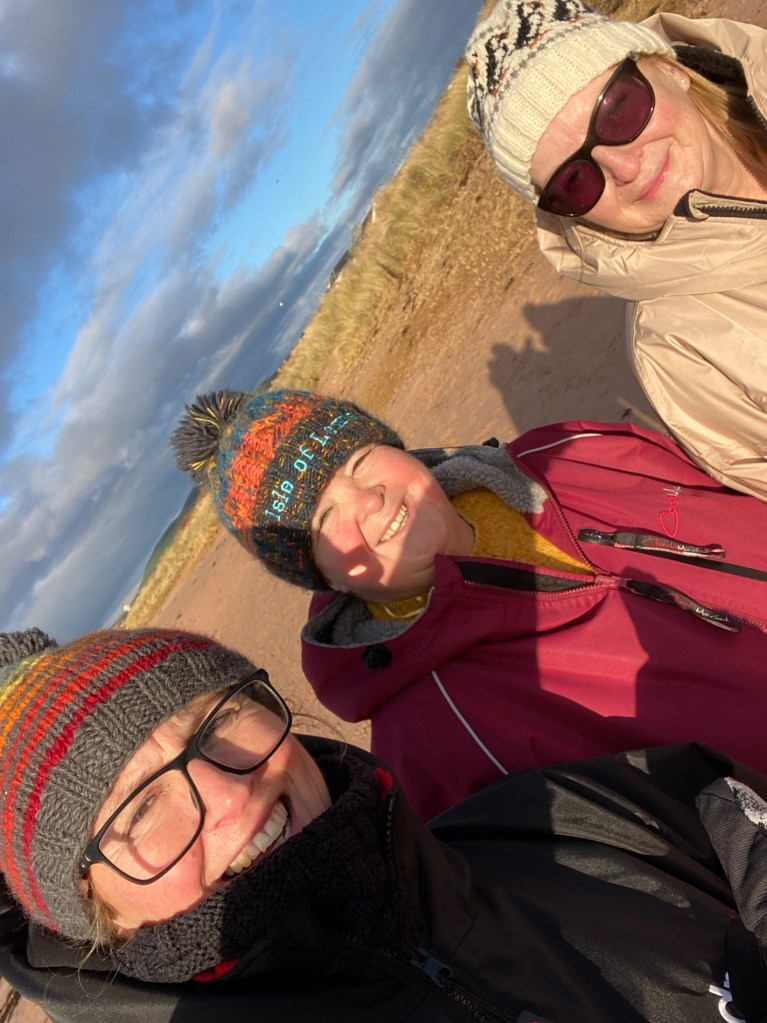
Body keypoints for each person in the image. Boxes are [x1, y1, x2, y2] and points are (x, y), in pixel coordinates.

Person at [1, 624, 767, 1023]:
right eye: (140, 808)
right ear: (94, 913)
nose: (230, 796)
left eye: (217, 720)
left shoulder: (565, 813)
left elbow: (721, 808)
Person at [173, 388, 767, 819]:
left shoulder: (565, 450)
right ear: (323, 576)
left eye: (358, 461)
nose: (369, 499)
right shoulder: (435, 749)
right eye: (325, 516)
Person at [465, 0, 767, 502]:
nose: (624, 168)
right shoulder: (680, 357)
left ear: (669, 67)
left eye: (618, 110)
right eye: (574, 180)